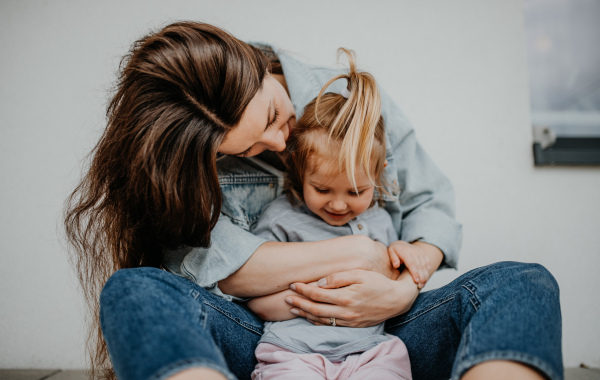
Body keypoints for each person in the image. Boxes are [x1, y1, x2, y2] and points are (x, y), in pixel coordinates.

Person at [64, 21, 563, 380]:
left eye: (274, 118)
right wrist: (359, 254)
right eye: (250, 150)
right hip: (270, 338)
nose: (280, 147)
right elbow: (220, 268)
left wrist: (406, 286)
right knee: (135, 289)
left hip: (385, 333)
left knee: (524, 282)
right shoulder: (192, 156)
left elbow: (429, 202)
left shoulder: (356, 104)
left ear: (258, 69)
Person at [247, 49, 412, 380]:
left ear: (379, 174)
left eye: (355, 192)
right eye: (322, 190)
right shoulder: (280, 218)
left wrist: (407, 256)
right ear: (299, 170)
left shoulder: (380, 221)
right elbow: (256, 300)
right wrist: (321, 297)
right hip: (292, 352)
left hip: (371, 351)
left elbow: (393, 281)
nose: (339, 205)